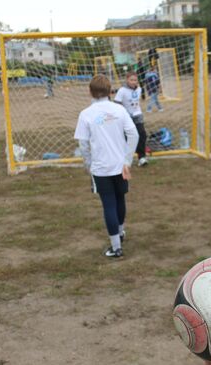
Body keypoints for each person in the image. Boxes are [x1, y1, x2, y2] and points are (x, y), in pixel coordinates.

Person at [74, 75, 139, 258]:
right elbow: (133, 135)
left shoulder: (86, 114)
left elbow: (83, 145)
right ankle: (120, 231)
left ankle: (116, 246)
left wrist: (88, 164)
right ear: (110, 91)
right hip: (120, 166)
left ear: (90, 92)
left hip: (101, 168)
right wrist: (127, 160)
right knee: (120, 199)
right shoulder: (118, 110)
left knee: (109, 203)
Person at [115, 71, 149, 167]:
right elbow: (117, 103)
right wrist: (123, 113)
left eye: (135, 80)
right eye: (131, 80)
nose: (133, 82)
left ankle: (142, 157)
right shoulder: (122, 90)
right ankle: (123, 159)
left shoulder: (139, 89)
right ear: (127, 80)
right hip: (126, 117)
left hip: (137, 115)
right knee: (126, 137)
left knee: (142, 134)